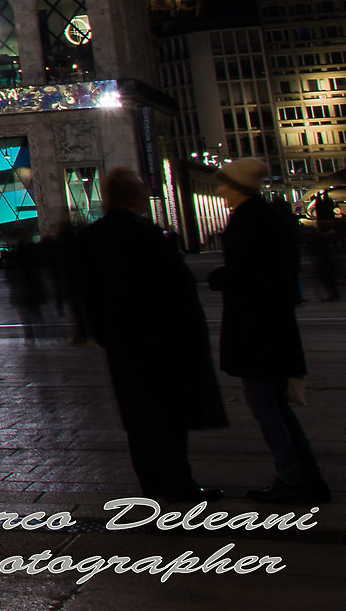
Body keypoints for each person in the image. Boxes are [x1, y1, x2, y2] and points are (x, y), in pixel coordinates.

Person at [75, 167, 225, 501]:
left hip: (122, 343)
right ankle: (179, 484)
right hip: (161, 340)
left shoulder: (91, 236)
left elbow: (88, 292)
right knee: (170, 415)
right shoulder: (146, 233)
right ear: (133, 195)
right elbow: (176, 288)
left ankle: (154, 487)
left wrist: (104, 333)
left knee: (139, 419)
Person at [209, 158, 330, 502]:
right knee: (275, 403)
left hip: (257, 330)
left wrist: (220, 277)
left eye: (225, 184)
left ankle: (293, 479)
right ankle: (308, 476)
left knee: (265, 403)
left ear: (240, 187)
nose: (221, 190)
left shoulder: (250, 221)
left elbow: (253, 275)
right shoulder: (268, 219)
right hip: (272, 328)